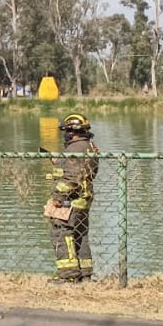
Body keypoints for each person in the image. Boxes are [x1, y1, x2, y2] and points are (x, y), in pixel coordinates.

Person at [45, 113, 99, 283]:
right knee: (80, 235)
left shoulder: (75, 149)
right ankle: (85, 274)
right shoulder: (89, 146)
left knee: (61, 232)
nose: (65, 135)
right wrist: (59, 162)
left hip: (71, 199)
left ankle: (68, 276)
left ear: (72, 132)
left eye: (66, 131)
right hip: (84, 199)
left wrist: (58, 197)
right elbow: (82, 171)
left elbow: (72, 177)